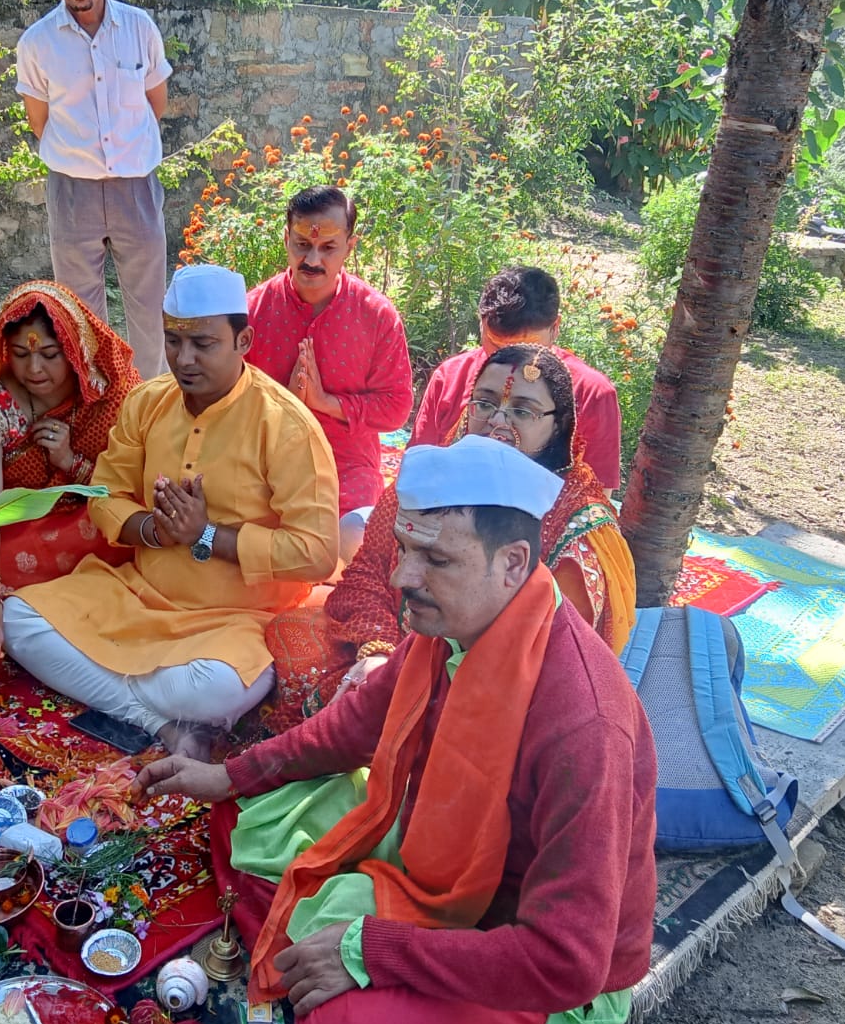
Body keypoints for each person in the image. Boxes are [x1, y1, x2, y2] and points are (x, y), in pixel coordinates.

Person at [134, 435, 658, 1024]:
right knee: (239, 820)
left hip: (526, 959)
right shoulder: (454, 625)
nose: (402, 578)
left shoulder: (584, 724)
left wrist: (372, 951)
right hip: (432, 865)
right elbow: (355, 726)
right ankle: (342, 966)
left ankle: (354, 984)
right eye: (405, 551)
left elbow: (567, 962)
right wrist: (229, 774)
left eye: (434, 559)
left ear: (514, 563)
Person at [1, 264, 339, 758]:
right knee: (17, 619)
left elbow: (317, 553)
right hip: (139, 595)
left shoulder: (285, 427)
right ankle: (157, 723)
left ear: (243, 340)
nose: (184, 359)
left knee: (216, 690)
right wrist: (154, 531)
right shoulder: (147, 403)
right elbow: (106, 493)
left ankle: (119, 696)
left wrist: (205, 535)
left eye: (203, 344)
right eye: (173, 342)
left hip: (236, 618)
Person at [263, 344, 634, 732]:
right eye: (485, 403)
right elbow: (368, 573)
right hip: (393, 651)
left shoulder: (581, 531)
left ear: (558, 426)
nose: (498, 424)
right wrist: (379, 653)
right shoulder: (432, 479)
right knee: (291, 637)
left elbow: (551, 659)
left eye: (522, 411)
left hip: (493, 703)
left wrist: (416, 681)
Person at [16, 0, 172, 379]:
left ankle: (152, 403)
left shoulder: (139, 28)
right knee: (80, 313)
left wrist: (125, 154)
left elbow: (155, 103)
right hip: (72, 189)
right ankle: (96, 403)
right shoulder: (37, 43)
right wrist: (80, 156)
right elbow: (39, 121)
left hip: (136, 186)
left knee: (148, 306)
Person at [0, 280, 142, 659]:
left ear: (75, 352)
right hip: (19, 534)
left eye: (51, 354)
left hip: (92, 522)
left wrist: (69, 462)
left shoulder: (113, 391)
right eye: (20, 354)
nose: (34, 369)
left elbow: (130, 487)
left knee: (134, 532)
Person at [246, 185, 413, 559]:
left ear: (350, 248)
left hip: (346, 466)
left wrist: (325, 402)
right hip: (263, 460)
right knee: (229, 534)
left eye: (328, 248)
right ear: (286, 237)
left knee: (353, 537)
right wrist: (284, 404)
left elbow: (397, 407)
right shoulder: (252, 312)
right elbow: (224, 399)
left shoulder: (377, 316)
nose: (312, 261)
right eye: (302, 244)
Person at [416, 265, 622, 494]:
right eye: (495, 346)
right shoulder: (450, 376)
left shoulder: (591, 393)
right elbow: (420, 469)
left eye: (526, 348)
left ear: (555, 328)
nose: (509, 362)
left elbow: (596, 497)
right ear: (481, 322)